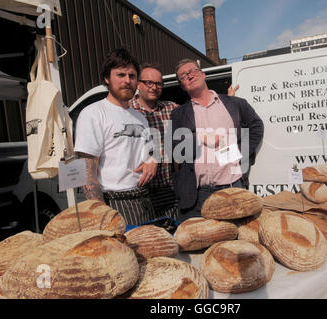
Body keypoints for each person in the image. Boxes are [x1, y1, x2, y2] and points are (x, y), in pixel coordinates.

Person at [171, 59, 264, 223]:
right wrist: (199, 136)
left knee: (235, 244)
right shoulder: (178, 114)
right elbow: (176, 147)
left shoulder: (234, 104)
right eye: (184, 76)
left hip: (232, 188)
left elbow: (256, 125)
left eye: (193, 71)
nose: (190, 76)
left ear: (203, 74)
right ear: (182, 85)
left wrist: (240, 153)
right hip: (197, 197)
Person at [74, 48, 158, 225]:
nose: (127, 81)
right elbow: (88, 174)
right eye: (120, 75)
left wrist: (152, 161)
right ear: (107, 78)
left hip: (144, 200)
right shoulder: (93, 113)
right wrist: (102, 218)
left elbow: (149, 151)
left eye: (132, 76)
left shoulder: (140, 117)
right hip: (114, 203)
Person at [128, 64, 180, 226]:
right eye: (148, 82)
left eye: (158, 83)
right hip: (139, 192)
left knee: (172, 237)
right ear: (138, 84)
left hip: (169, 188)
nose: (154, 87)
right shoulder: (126, 110)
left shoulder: (171, 109)